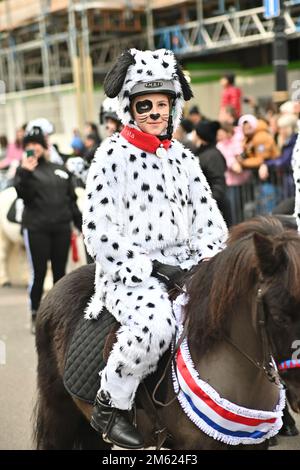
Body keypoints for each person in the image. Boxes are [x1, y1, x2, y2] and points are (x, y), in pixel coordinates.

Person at [83, 48, 228, 449]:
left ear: (173, 108)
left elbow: (211, 222)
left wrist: (202, 260)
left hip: (189, 269)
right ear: (131, 108)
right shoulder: (110, 156)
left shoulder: (184, 158)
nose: (153, 112)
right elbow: (98, 233)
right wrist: (150, 266)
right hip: (130, 275)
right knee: (155, 327)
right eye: (143, 105)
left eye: (161, 105)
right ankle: (111, 405)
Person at [14, 127, 82, 334]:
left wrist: (81, 226)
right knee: (39, 273)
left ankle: (59, 315)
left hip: (61, 228)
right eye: (28, 146)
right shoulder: (25, 171)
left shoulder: (59, 170)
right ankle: (35, 313)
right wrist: (25, 171)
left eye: (36, 144)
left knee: (61, 275)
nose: (33, 148)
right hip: (37, 230)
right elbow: (23, 193)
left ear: (44, 146)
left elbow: (71, 202)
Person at [193, 120, 232, 226]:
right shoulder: (201, 153)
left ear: (200, 136)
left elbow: (218, 183)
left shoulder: (212, 156)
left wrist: (209, 204)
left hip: (214, 209)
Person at [217, 122, 251, 224]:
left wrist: (240, 160)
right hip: (230, 182)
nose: (219, 135)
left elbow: (240, 154)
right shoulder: (220, 145)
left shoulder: (236, 142)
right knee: (233, 209)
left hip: (243, 181)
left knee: (242, 208)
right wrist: (233, 164)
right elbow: (226, 159)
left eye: (221, 133)